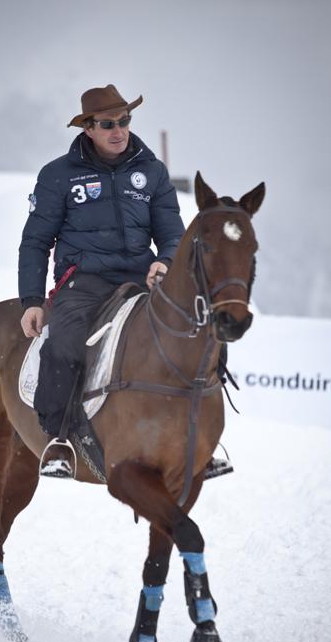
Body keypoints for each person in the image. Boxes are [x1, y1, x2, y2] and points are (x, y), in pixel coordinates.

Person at [19, 84, 230, 479]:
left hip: (142, 276)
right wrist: (31, 299)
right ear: (88, 128)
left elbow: (172, 232)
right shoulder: (57, 176)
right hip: (81, 282)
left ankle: (204, 437)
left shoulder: (151, 171)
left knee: (201, 326)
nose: (119, 130)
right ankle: (60, 440)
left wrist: (166, 261)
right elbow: (35, 241)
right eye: (108, 124)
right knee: (64, 343)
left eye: (125, 121)